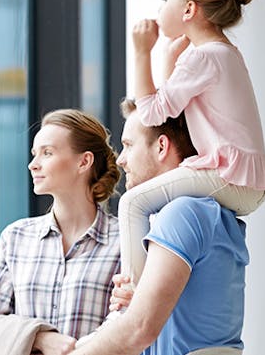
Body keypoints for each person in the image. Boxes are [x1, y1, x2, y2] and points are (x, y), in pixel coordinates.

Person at [119, 0, 265, 286]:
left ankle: (134, 295)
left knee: (132, 203)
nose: (160, 6)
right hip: (242, 178)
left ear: (189, 10)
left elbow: (152, 114)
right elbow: (172, 113)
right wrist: (168, 59)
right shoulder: (221, 52)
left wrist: (140, 52)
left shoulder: (204, 56)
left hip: (231, 177)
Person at [72, 99, 249, 355]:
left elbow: (139, 329)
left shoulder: (184, 213)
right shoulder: (206, 211)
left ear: (162, 147)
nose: (120, 160)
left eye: (128, 146)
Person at [0, 109, 122, 355]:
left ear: (84, 161)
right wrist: (39, 337)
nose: (33, 164)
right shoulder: (16, 238)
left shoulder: (123, 241)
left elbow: (125, 325)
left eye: (47, 153)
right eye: (34, 154)